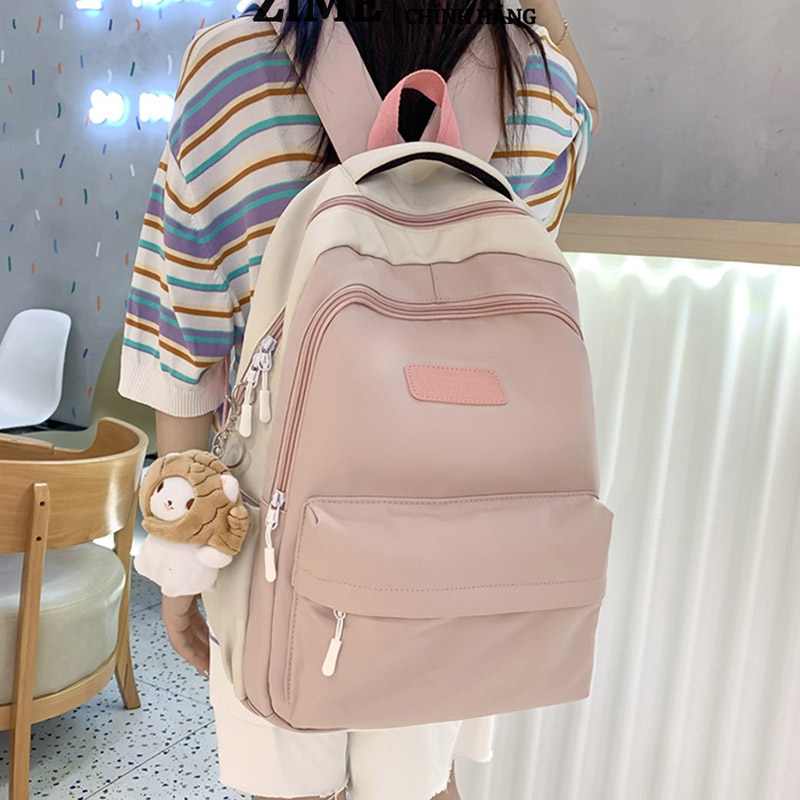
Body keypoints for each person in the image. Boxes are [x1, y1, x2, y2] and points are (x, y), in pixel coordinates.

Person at [118, 1, 599, 798]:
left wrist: (182, 561)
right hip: (462, 539)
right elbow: (573, 148)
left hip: (268, 541)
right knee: (419, 782)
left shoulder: (231, 67)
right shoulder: (540, 88)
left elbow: (182, 336)